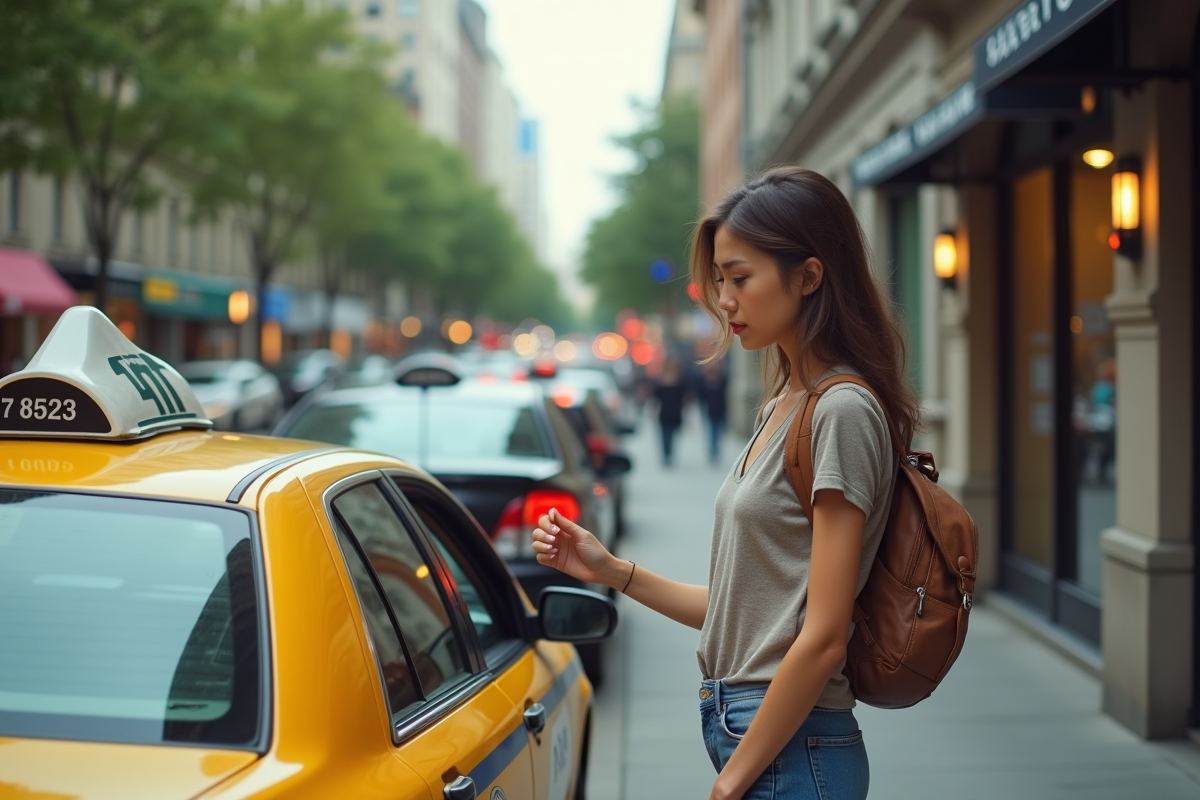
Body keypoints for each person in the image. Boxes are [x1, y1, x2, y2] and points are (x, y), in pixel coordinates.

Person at [530, 166, 919, 800]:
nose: (724, 301)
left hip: (791, 750)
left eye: (740, 279)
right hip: (754, 734)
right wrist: (611, 572)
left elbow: (822, 637)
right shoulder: (784, 404)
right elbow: (746, 614)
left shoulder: (841, 410)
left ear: (810, 276)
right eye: (719, 282)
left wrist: (733, 782)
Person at [653, 355, 686, 466]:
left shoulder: (679, 384)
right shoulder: (661, 384)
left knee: (671, 435)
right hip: (664, 414)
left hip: (675, 414)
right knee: (664, 436)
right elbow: (655, 398)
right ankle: (666, 454)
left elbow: (683, 400)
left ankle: (670, 453)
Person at [699, 359, 729, 464]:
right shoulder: (704, 380)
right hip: (710, 410)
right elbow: (701, 396)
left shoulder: (722, 380)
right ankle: (713, 451)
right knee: (712, 430)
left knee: (717, 431)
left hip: (720, 410)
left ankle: (715, 450)